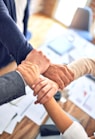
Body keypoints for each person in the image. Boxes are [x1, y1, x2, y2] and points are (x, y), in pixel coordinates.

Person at [0, 0, 73, 90]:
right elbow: (2, 19)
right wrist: (34, 59)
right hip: (5, 49)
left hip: (15, 52)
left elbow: (22, 14)